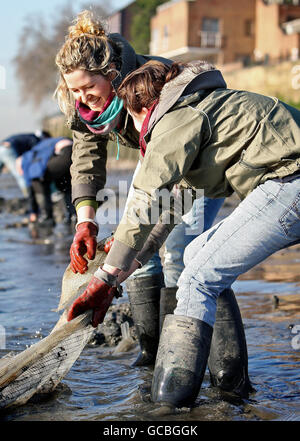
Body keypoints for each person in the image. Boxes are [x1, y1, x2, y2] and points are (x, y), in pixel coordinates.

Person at [66, 59, 300, 408]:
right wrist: (127, 264)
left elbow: (146, 196)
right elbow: (169, 207)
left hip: (290, 182)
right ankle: (232, 389)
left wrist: (106, 275)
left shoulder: (177, 117)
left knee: (199, 276)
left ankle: (170, 406)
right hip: (285, 183)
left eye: (134, 122)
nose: (138, 134)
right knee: (196, 257)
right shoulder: (201, 112)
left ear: (144, 107)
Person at [56, 10, 251, 395]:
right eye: (73, 91)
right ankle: (152, 357)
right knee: (137, 259)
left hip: (199, 156)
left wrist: (126, 258)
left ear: (112, 74)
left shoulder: (157, 84)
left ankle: (227, 381)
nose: (82, 99)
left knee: (183, 254)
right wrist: (86, 221)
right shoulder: (85, 102)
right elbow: (86, 157)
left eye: (88, 88)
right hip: (153, 155)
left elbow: (174, 188)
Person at [18, 137, 75, 226]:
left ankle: (47, 217)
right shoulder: (38, 150)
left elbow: (30, 189)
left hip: (64, 152)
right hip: (74, 148)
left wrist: (33, 212)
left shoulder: (25, 160)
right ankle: (73, 215)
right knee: (64, 184)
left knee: (37, 182)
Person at [0, 131, 50, 196]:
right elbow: (35, 153)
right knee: (20, 173)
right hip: (9, 149)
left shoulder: (28, 136)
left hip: (2, 147)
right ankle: (28, 195)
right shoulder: (34, 139)